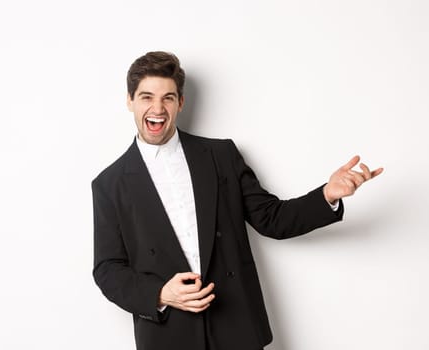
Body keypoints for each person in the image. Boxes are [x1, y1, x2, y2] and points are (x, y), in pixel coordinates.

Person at [91, 51, 382, 350]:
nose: (157, 108)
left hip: (236, 329)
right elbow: (108, 269)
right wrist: (161, 294)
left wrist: (327, 195)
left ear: (180, 102)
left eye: (167, 97)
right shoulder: (109, 184)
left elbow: (272, 218)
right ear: (130, 101)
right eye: (146, 97)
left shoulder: (220, 156)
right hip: (168, 335)